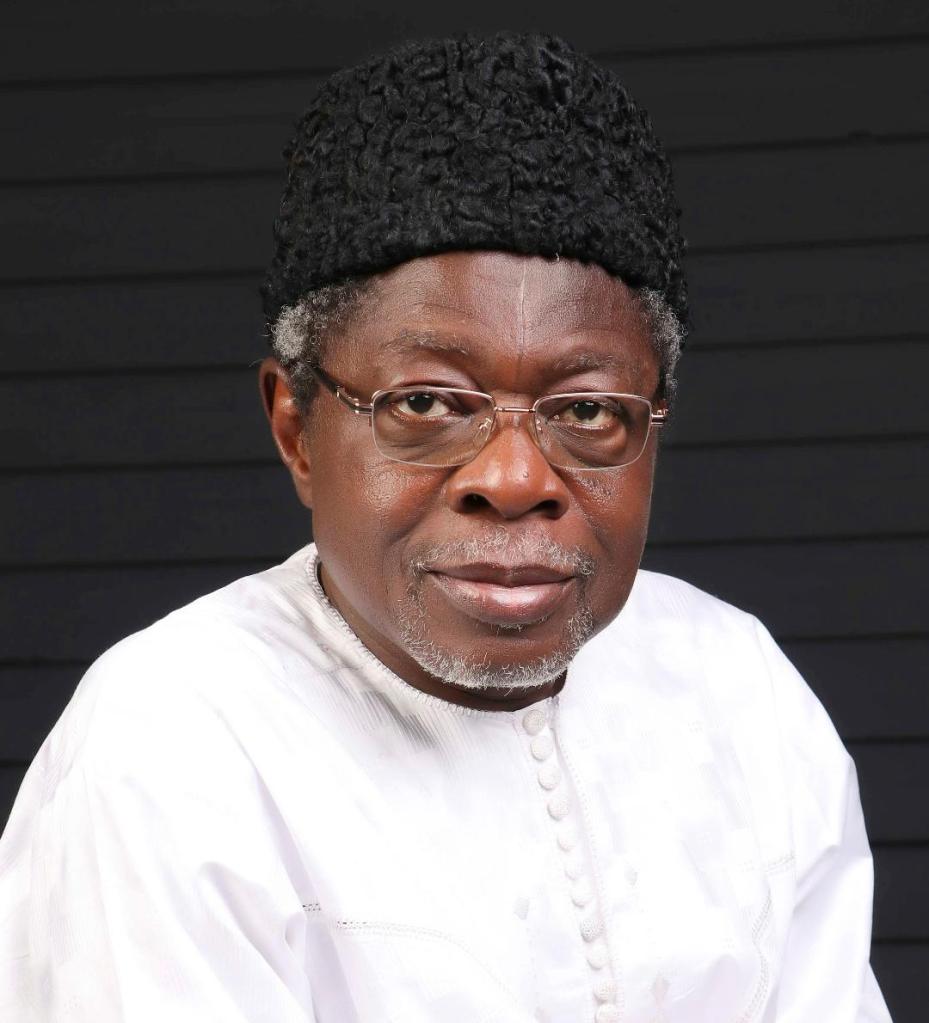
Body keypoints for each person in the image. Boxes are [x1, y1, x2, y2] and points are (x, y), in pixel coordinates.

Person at [0, 31, 890, 1023]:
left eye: (586, 410)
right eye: (425, 403)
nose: (513, 480)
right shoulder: (175, 742)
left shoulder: (738, 689)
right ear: (295, 427)